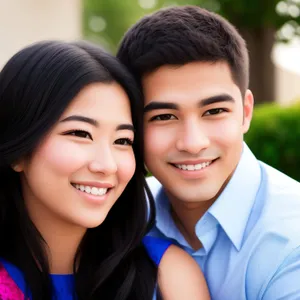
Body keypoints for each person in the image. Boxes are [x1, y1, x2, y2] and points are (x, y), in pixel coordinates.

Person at [0, 41, 210, 300]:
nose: (107, 165)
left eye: (122, 141)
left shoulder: (167, 276)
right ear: (19, 150)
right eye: (80, 133)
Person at [117, 5, 300, 300]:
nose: (192, 142)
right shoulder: (118, 217)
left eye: (214, 111)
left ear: (246, 112)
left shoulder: (292, 239)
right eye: (164, 116)